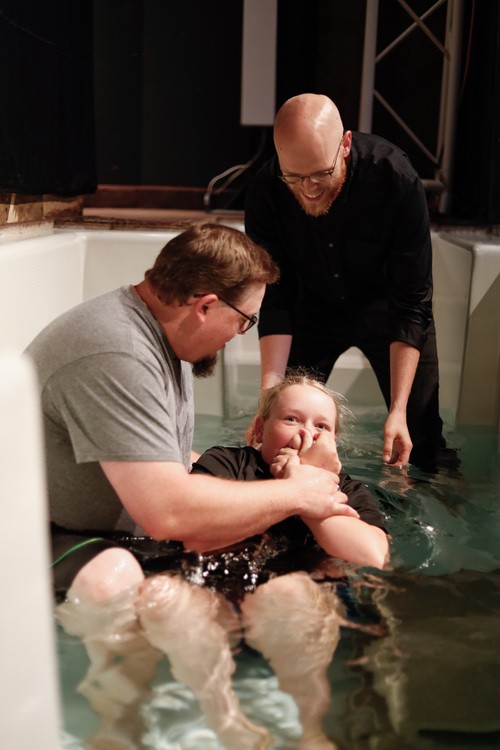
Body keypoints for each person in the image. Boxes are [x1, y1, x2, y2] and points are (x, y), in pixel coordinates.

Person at [25, 224, 358, 747]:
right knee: (114, 576)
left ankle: (220, 714)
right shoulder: (118, 353)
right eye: (245, 320)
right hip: (37, 535)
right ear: (205, 306)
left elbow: (157, 458)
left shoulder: (163, 339)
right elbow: (167, 514)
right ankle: (119, 729)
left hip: (119, 531)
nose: (240, 335)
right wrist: (302, 492)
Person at [57, 373, 389, 750]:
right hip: (216, 609)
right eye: (291, 419)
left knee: (286, 592)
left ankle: (311, 731)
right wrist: (291, 492)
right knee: (160, 592)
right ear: (259, 429)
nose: (306, 433)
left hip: (295, 612)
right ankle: (224, 716)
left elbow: (372, 556)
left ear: (334, 443)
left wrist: (309, 486)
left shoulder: (346, 487)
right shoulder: (227, 463)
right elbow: (197, 536)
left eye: (322, 427)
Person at [245, 92, 457, 472]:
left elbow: (413, 301)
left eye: (320, 174)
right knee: (280, 428)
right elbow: (276, 298)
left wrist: (398, 411)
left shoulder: (395, 178)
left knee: (421, 440)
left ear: (344, 145)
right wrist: (267, 403)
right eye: (294, 177)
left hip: (389, 311)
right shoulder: (266, 189)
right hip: (310, 310)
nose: (308, 188)